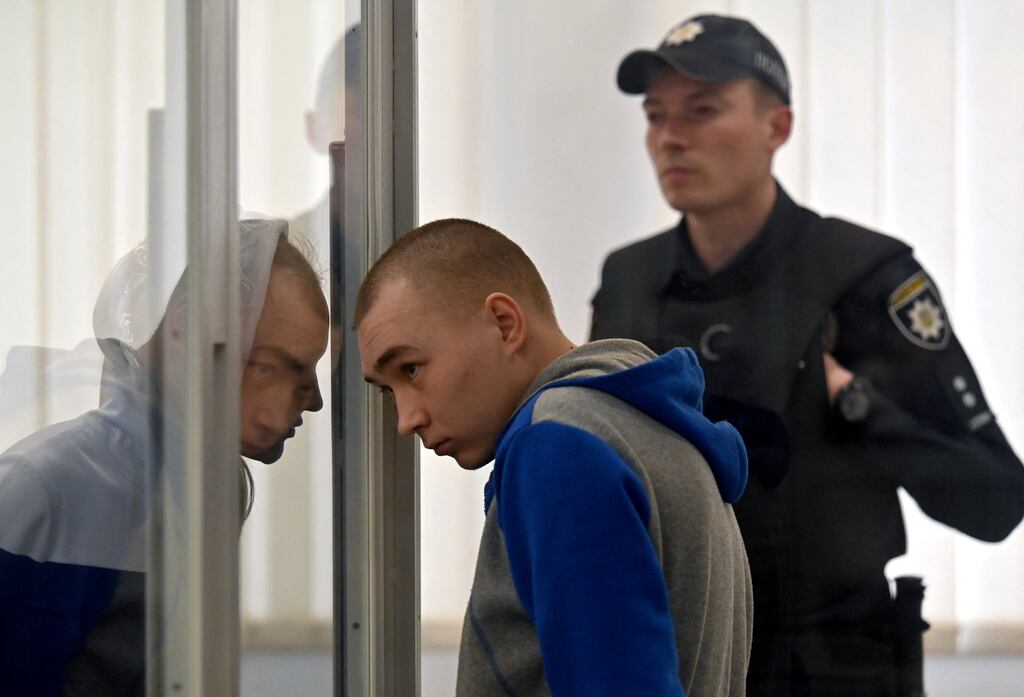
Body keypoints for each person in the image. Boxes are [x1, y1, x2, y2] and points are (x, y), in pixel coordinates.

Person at [590, 13, 1024, 697]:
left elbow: (996, 498)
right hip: (679, 660)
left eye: (702, 110)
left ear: (777, 127)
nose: (670, 136)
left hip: (833, 669)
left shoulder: (863, 276)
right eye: (656, 114)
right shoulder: (629, 282)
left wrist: (856, 403)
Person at [356, 218, 752, 696]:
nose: (406, 418)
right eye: (387, 391)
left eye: (412, 368)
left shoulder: (558, 445)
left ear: (505, 323)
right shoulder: (650, 430)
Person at [0, 218, 328, 696]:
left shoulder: (208, 487)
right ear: (186, 329)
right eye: (273, 364)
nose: (314, 398)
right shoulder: (45, 484)